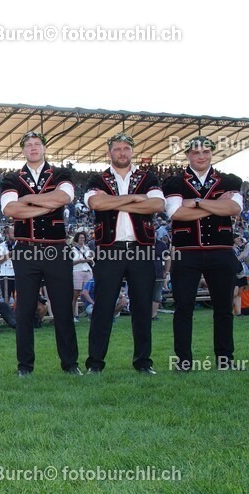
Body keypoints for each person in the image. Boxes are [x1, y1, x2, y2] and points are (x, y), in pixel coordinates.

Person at [0, 131, 81, 376]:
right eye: (28, 145)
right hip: (26, 250)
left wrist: (29, 201)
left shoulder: (61, 173)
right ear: (23, 150)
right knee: (24, 309)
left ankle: (70, 364)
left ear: (44, 148)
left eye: (37, 144)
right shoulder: (11, 177)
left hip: (56, 249)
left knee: (63, 308)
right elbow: (10, 209)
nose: (33, 148)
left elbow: (65, 197)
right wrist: (48, 201)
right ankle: (25, 366)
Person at [83, 133, 164, 375]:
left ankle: (143, 362)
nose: (122, 152)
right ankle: (95, 363)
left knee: (142, 307)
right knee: (103, 308)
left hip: (141, 248)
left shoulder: (147, 177)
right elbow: (96, 204)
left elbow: (157, 205)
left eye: (126, 148)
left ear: (132, 152)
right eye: (117, 149)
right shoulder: (97, 178)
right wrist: (136, 199)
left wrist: (114, 201)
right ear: (109, 152)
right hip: (110, 249)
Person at [163, 136, 243, 371]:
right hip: (186, 252)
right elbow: (176, 213)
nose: (202, 156)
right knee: (184, 307)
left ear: (211, 154)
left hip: (221, 251)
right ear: (188, 154)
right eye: (197, 152)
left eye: (206, 152)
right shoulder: (174, 182)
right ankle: (184, 361)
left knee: (223, 307)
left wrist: (195, 202)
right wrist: (213, 204)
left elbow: (234, 208)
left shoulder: (229, 180)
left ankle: (225, 359)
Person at [70, 231, 93, 320]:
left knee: (90, 293)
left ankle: (90, 313)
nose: (82, 239)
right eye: (80, 238)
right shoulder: (72, 250)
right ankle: (74, 315)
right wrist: (81, 261)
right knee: (75, 295)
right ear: (77, 239)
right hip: (77, 271)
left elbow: (90, 259)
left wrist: (90, 260)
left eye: (83, 238)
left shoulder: (87, 249)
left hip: (87, 270)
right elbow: (70, 263)